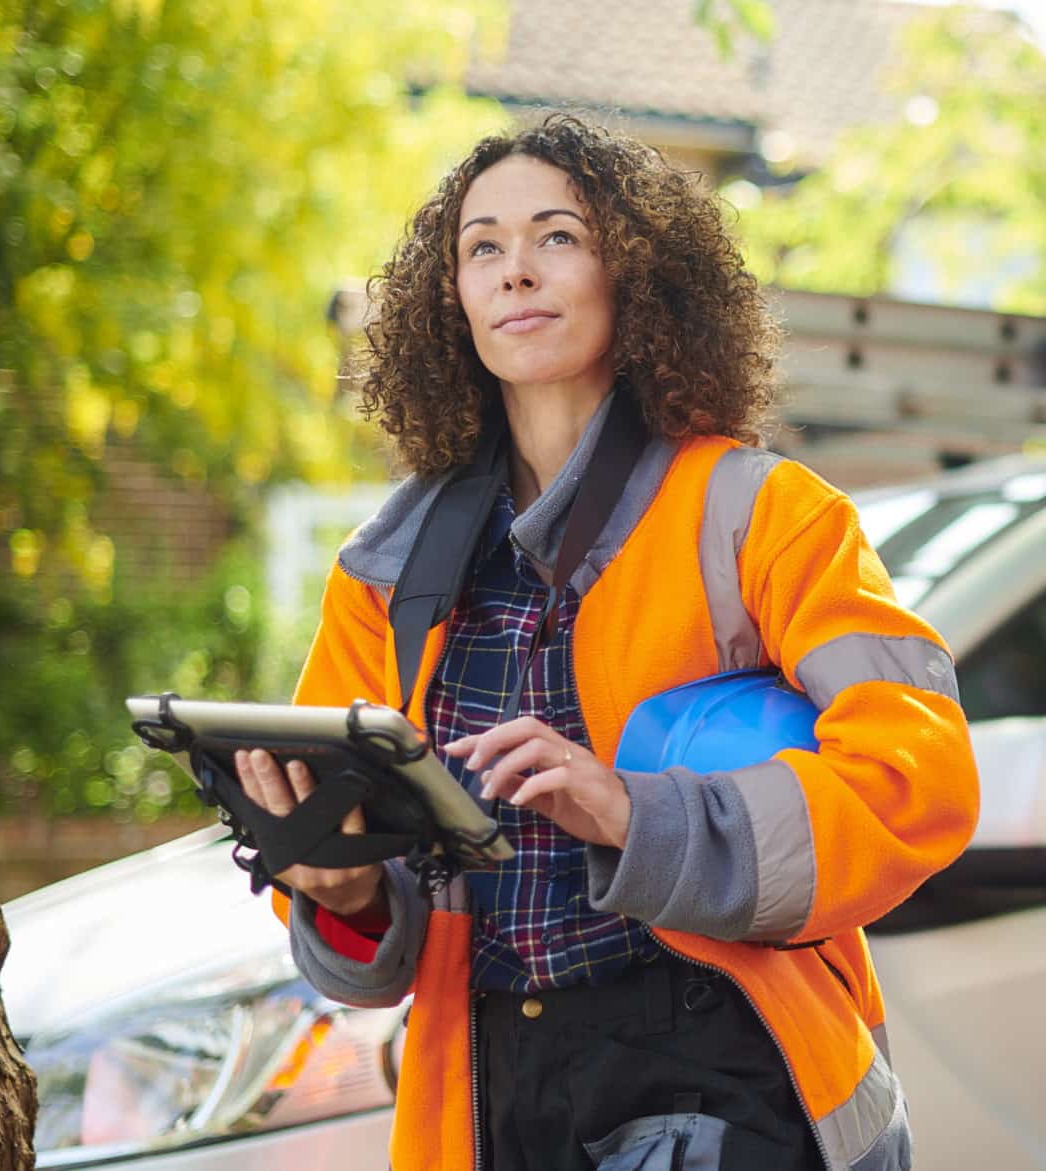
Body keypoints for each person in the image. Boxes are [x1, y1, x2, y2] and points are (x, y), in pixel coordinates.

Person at [231, 114, 979, 1171]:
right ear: (453, 301)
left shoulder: (764, 514)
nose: (516, 271)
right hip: (491, 1078)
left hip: (722, 1065)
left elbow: (922, 776)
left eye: (558, 238)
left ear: (636, 274)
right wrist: (342, 887)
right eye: (482, 247)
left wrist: (636, 813)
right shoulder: (383, 573)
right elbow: (373, 941)